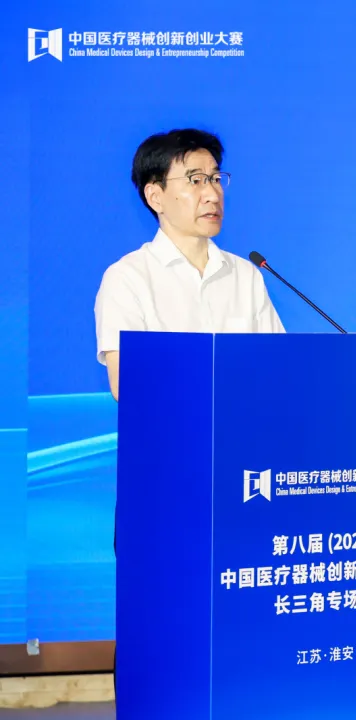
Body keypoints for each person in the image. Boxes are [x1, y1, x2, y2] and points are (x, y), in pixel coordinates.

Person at [93, 128, 285, 696]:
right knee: (162, 638)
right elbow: (130, 386)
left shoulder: (247, 276)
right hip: (165, 491)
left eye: (216, 178)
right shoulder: (128, 278)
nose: (212, 193)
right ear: (155, 194)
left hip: (243, 487)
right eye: (195, 180)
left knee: (240, 637)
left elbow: (282, 375)